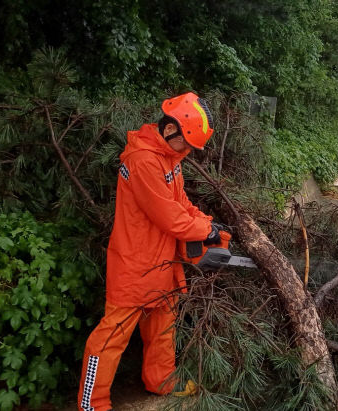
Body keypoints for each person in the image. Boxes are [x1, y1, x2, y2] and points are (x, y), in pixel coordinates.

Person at [77, 92, 221, 411]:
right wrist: (203, 231)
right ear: (171, 130)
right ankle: (92, 402)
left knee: (162, 328)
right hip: (135, 264)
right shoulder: (143, 160)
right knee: (111, 338)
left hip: (163, 262)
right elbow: (167, 216)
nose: (187, 151)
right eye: (186, 143)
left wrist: (208, 224)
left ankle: (161, 380)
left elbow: (179, 203)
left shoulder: (170, 160)